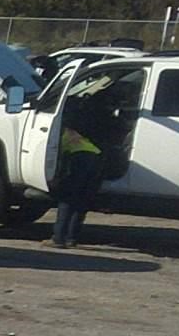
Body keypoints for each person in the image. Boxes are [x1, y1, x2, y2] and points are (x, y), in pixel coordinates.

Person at [51, 74, 125, 248]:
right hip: (98, 158)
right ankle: (71, 238)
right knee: (82, 200)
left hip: (80, 158)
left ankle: (58, 238)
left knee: (67, 198)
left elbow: (58, 157)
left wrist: (56, 178)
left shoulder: (63, 125)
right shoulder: (105, 118)